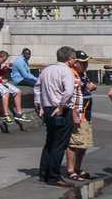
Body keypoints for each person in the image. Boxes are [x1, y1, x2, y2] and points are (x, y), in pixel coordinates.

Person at [33, 46, 78, 187]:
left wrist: (39, 105)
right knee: (59, 144)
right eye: (74, 58)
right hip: (61, 109)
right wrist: (61, 105)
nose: (74, 61)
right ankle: (53, 176)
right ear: (69, 59)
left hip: (47, 108)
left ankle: (43, 173)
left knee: (50, 141)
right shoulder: (66, 71)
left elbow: (37, 88)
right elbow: (69, 90)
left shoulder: (46, 70)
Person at [66, 50, 96, 181]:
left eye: (86, 62)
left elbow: (88, 85)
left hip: (86, 113)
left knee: (83, 143)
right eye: (83, 62)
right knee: (74, 143)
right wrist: (87, 86)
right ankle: (70, 169)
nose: (86, 64)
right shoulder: (71, 73)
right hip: (78, 112)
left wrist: (89, 86)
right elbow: (72, 92)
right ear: (75, 62)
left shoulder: (83, 74)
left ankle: (77, 167)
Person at [0, 51, 30, 123]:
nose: (3, 62)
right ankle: (6, 115)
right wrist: (0, 80)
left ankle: (19, 114)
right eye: (3, 60)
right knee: (6, 92)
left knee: (18, 91)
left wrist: (5, 69)